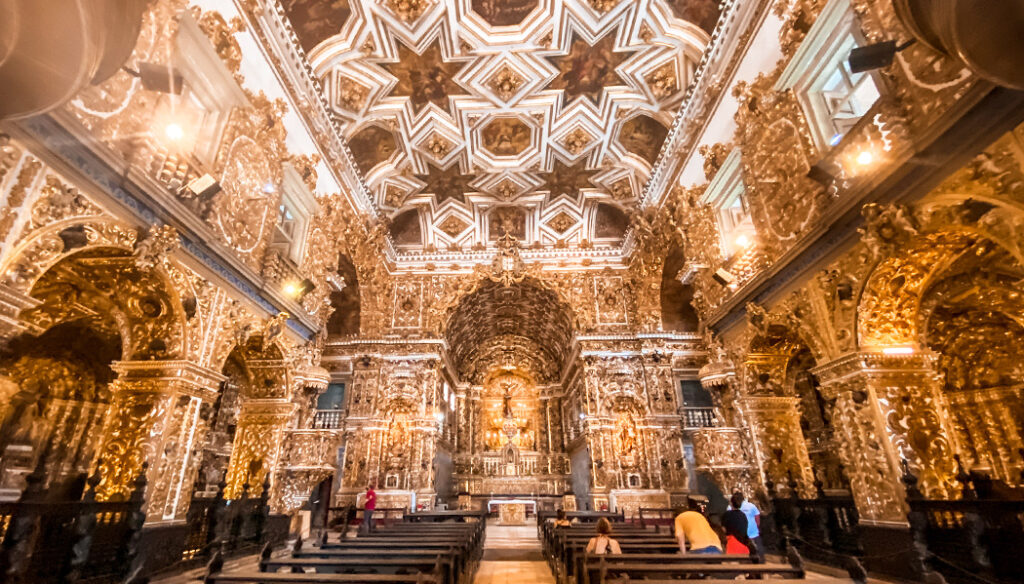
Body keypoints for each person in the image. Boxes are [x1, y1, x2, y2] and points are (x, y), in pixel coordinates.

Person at [722, 493, 757, 557]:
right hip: (743, 545)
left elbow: (723, 529)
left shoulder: (727, 515)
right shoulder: (743, 515)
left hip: (730, 545)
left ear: (731, 503)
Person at [734, 491, 765, 561]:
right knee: (759, 549)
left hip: (742, 533)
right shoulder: (751, 506)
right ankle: (761, 562)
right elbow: (757, 518)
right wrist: (757, 527)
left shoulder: (734, 508)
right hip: (753, 532)